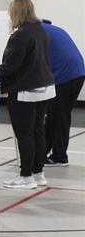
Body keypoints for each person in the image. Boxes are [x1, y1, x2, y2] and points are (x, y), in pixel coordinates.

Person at [0, 0, 54, 189]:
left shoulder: (20, 34)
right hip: (44, 87)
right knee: (38, 131)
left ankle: (26, 175)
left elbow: (11, 65)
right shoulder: (40, 30)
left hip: (25, 90)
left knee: (25, 134)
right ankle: (38, 173)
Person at [42, 19, 85, 166]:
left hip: (65, 76)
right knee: (55, 114)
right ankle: (43, 152)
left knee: (59, 115)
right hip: (77, 73)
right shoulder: (51, 29)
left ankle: (60, 156)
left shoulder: (36, 32)